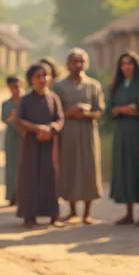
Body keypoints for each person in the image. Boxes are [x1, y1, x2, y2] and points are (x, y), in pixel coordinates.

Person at [52, 48, 105, 224]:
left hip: (88, 133)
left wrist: (87, 113)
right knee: (70, 169)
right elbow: (54, 112)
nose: (78, 65)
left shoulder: (93, 85)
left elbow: (100, 111)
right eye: (75, 61)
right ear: (68, 64)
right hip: (68, 134)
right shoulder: (59, 86)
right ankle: (72, 210)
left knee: (89, 170)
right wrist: (70, 112)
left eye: (82, 61)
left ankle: (87, 213)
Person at [16, 64, 65, 228]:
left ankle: (53, 215)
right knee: (30, 178)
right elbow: (19, 120)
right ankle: (29, 216)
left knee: (50, 177)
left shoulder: (53, 98)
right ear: (31, 79)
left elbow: (60, 119)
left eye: (46, 75)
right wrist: (36, 128)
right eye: (38, 76)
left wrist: (51, 128)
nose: (43, 79)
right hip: (31, 143)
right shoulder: (26, 99)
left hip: (49, 143)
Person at [107, 51, 139, 226]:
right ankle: (129, 212)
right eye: (123, 64)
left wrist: (122, 109)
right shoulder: (117, 86)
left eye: (130, 63)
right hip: (122, 132)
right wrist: (125, 109)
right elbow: (110, 110)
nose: (126, 67)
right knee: (125, 169)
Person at [1, 75, 23, 206]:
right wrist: (13, 117)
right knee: (11, 166)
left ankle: (23, 194)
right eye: (13, 87)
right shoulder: (6, 104)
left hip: (25, 136)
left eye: (18, 86)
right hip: (12, 137)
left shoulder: (27, 101)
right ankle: (12, 194)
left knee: (24, 166)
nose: (16, 89)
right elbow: (5, 120)